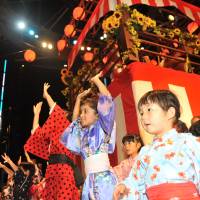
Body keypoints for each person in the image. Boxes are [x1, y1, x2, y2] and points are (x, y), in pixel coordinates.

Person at [113, 90, 200, 200]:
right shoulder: (145, 151)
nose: (143, 117)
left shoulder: (189, 142)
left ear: (170, 113)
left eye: (149, 110)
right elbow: (135, 180)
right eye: (141, 113)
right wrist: (124, 187)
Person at [61, 72, 117, 200]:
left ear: (97, 115)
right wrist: (78, 100)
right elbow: (74, 123)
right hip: (89, 183)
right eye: (81, 112)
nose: (82, 115)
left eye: (85, 111)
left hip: (104, 182)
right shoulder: (83, 133)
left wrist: (96, 80)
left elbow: (107, 99)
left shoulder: (103, 127)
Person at [24, 83, 82, 200]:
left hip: (63, 170)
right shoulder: (53, 136)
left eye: (63, 113)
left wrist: (46, 95)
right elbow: (36, 132)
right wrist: (37, 114)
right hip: (51, 170)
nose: (57, 115)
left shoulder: (69, 129)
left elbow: (54, 108)